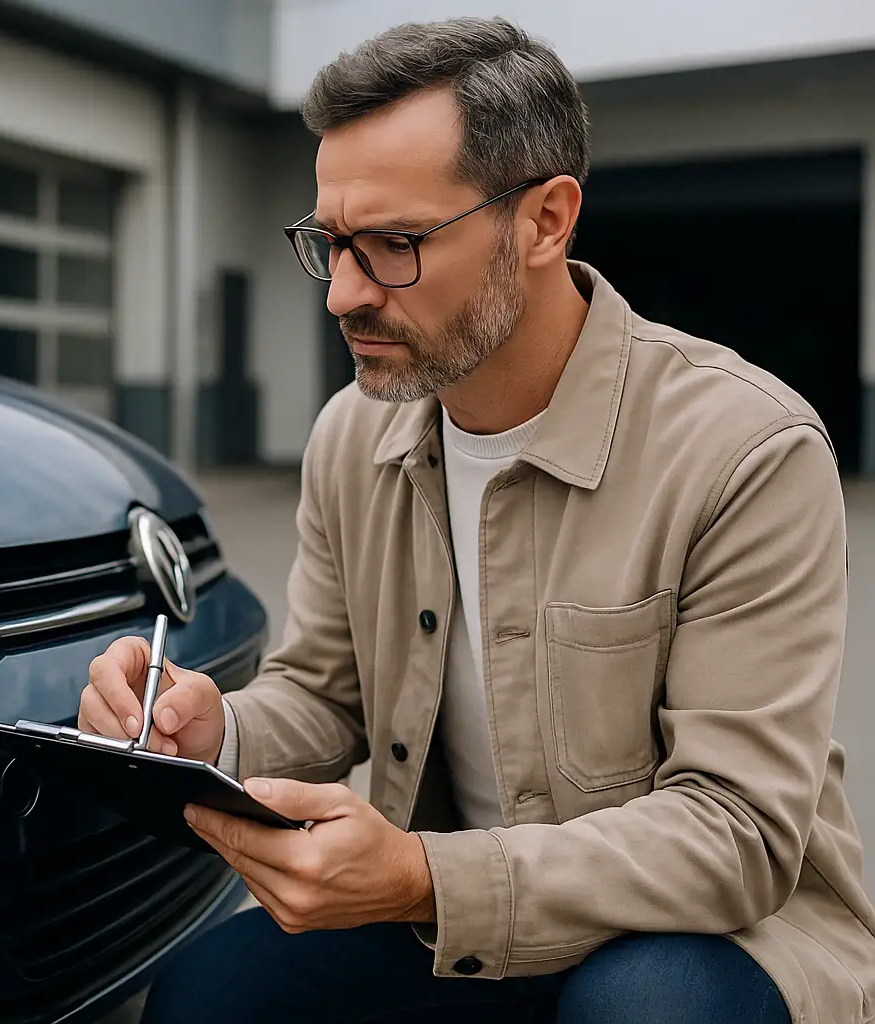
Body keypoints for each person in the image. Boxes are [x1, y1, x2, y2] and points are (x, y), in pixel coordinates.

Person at [78, 16, 875, 1024]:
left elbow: (735, 835)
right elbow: (328, 696)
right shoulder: (349, 438)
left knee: (649, 1006)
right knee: (208, 992)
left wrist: (420, 876)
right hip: (456, 928)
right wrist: (213, 729)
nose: (346, 295)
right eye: (330, 246)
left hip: (708, 939)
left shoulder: (746, 452)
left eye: (396, 244)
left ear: (544, 220)